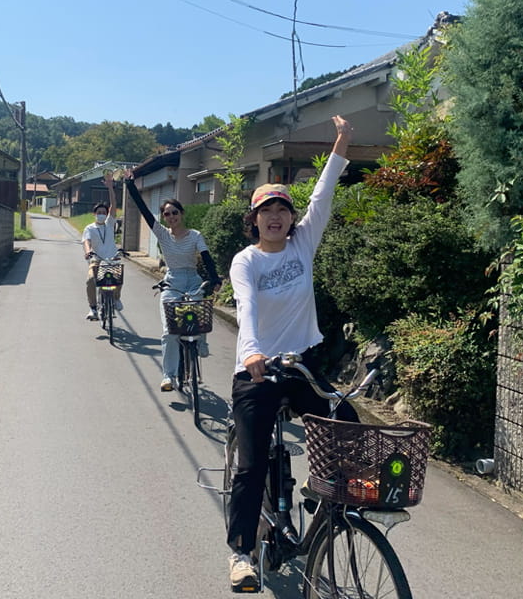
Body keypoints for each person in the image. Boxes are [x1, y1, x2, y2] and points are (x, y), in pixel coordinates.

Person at [225, 115, 361, 592]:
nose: (276, 216)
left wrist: (341, 143)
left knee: (345, 417)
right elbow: (247, 308)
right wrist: (252, 356)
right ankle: (241, 552)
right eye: (267, 210)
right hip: (258, 370)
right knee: (252, 463)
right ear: (255, 220)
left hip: (301, 365)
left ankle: (322, 493)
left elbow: (322, 195)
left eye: (282, 208)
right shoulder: (247, 260)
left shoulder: (303, 242)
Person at [124, 171, 223, 391]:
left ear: (182, 213)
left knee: (202, 310)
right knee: (170, 330)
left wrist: (214, 278)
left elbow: (206, 257)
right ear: (164, 218)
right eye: (167, 214)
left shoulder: (195, 235)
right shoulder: (161, 233)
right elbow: (143, 210)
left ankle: (202, 342)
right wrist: (130, 185)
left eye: (174, 212)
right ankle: (168, 376)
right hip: (172, 280)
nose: (171, 217)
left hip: (192, 278)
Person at [82, 171, 122, 320]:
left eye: (104, 212)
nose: (101, 214)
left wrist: (110, 187)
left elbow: (114, 204)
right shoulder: (89, 228)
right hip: (96, 260)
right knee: (90, 280)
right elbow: (87, 241)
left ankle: (116, 298)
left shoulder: (109, 224)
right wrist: (88, 252)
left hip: (112, 258)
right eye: (99, 212)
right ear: (94, 214)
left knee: (118, 276)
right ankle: (93, 308)